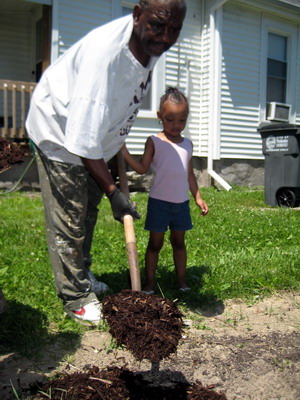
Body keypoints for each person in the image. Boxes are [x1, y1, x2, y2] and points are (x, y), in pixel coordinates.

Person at [25, 0, 187, 325]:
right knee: (70, 216)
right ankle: (76, 297)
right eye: (158, 25)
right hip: (59, 133)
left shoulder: (148, 45)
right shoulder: (105, 59)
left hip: (97, 139)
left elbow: (116, 106)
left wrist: (114, 148)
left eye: (174, 29)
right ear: (137, 14)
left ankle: (82, 273)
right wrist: (115, 191)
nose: (165, 36)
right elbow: (81, 139)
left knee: (89, 210)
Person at [122, 87, 208, 293]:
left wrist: (198, 197)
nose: (176, 125)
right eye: (170, 120)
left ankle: (182, 282)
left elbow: (189, 174)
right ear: (160, 116)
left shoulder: (188, 144)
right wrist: (124, 152)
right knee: (155, 244)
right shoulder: (155, 141)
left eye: (181, 120)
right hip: (159, 204)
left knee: (179, 243)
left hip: (181, 204)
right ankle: (150, 284)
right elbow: (142, 168)